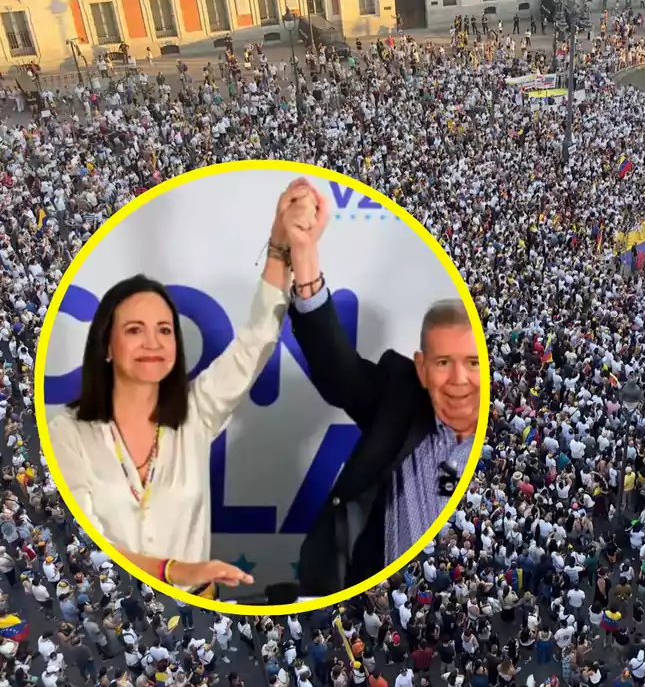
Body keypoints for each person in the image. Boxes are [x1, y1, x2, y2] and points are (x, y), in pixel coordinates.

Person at [45, 180, 317, 594]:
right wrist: (172, 571)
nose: (153, 343)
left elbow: (255, 341)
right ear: (106, 345)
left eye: (165, 330)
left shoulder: (194, 413)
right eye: (135, 330)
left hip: (198, 612)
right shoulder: (68, 433)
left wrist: (281, 247)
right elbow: (87, 546)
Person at [284, 200, 482, 596]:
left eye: (473, 363)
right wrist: (304, 260)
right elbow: (339, 373)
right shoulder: (400, 396)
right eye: (444, 362)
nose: (459, 380)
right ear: (422, 367)